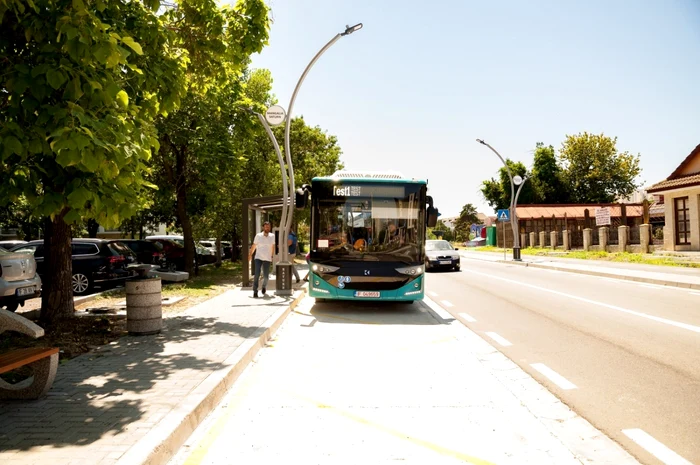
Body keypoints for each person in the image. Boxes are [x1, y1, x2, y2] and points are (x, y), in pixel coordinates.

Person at [248, 221, 275, 298]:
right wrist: (250, 255)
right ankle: (255, 291)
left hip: (267, 258)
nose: (267, 228)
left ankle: (264, 286)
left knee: (266, 276)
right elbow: (254, 246)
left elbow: (272, 247)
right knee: (257, 274)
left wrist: (272, 256)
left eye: (268, 226)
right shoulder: (258, 236)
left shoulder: (272, 236)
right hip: (258, 257)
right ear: (263, 227)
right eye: (266, 226)